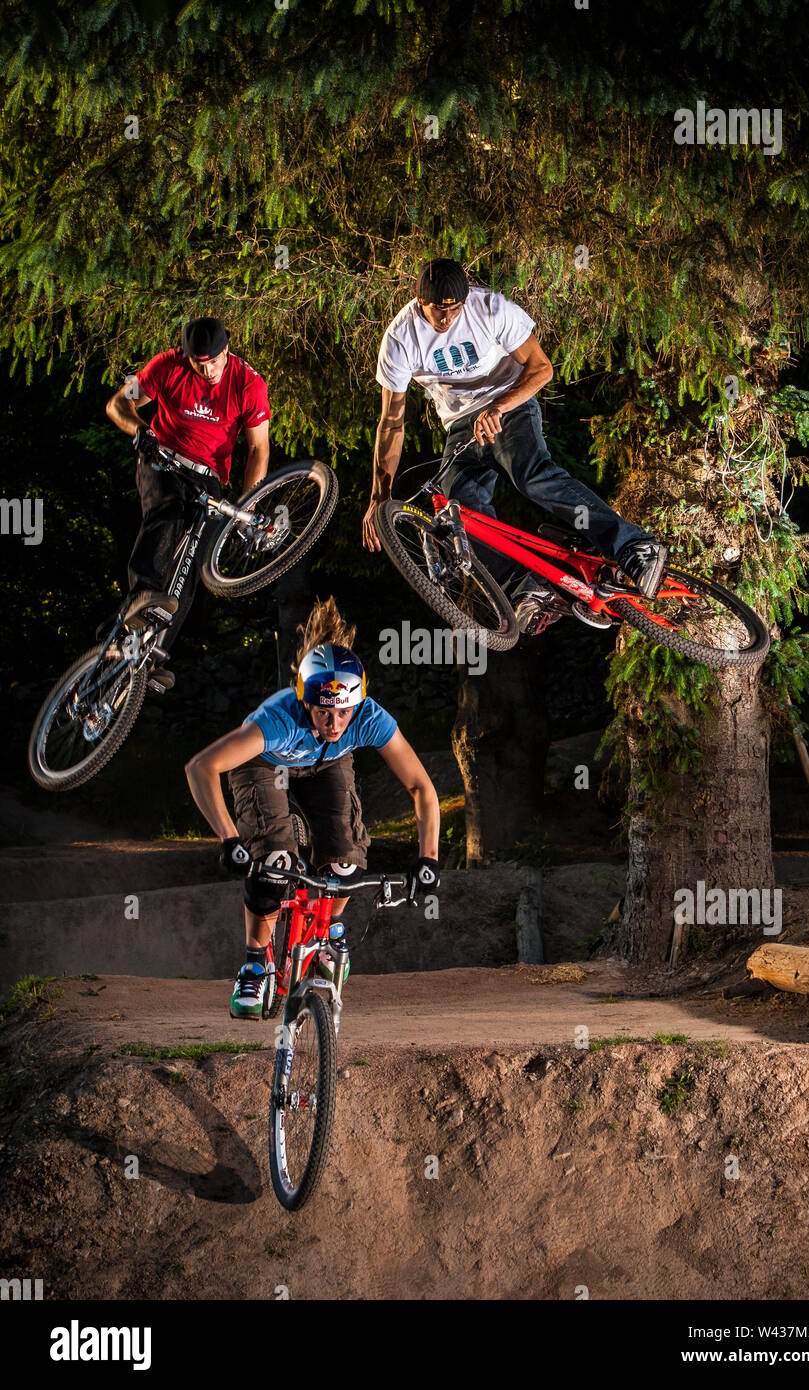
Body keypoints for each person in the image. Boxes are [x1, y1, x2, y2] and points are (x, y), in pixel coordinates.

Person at [363, 258, 668, 634]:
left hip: (510, 405)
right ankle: (524, 589)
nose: (446, 319)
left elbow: (541, 368)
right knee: (459, 512)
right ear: (418, 300)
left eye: (453, 310)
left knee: (532, 475)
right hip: (461, 428)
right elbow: (392, 422)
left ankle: (634, 547)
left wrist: (499, 406)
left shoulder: (490, 308)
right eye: (437, 311)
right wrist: (379, 496)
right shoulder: (400, 338)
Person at [185, 599, 441, 1020]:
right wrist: (229, 839)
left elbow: (420, 787)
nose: (335, 723)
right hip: (267, 763)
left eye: (344, 712)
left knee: (345, 863)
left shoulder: (368, 718)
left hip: (328, 765)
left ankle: (327, 936)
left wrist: (428, 859)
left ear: (357, 704)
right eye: (324, 712)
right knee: (274, 863)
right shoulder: (278, 719)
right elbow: (201, 767)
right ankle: (254, 962)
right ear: (306, 702)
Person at [104, 316, 271, 686]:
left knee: (192, 563)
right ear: (185, 355)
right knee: (166, 510)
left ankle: (154, 653)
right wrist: (141, 431)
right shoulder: (165, 366)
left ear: (227, 351)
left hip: (208, 476)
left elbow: (258, 448)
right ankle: (140, 597)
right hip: (163, 458)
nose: (208, 370)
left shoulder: (249, 384)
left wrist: (249, 507)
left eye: (214, 361)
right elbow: (117, 404)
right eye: (199, 364)